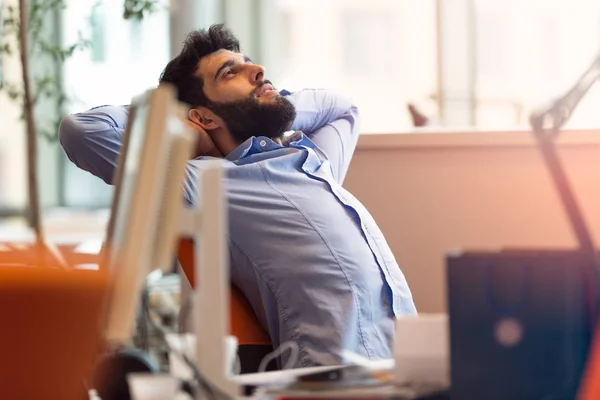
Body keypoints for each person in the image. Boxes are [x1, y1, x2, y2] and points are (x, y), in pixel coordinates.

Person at [59, 24, 416, 368]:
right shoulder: (209, 183)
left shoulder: (313, 159)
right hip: (344, 384)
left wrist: (275, 105)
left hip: (416, 368)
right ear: (202, 116)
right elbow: (82, 131)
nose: (258, 70)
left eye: (250, 63)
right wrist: (173, 116)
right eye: (231, 73)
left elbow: (343, 107)